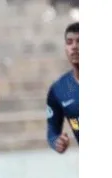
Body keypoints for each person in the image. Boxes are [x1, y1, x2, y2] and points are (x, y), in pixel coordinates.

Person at [46, 22, 79, 154]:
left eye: (80, 41)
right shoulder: (59, 90)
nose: (75, 47)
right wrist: (57, 141)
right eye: (69, 42)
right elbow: (52, 130)